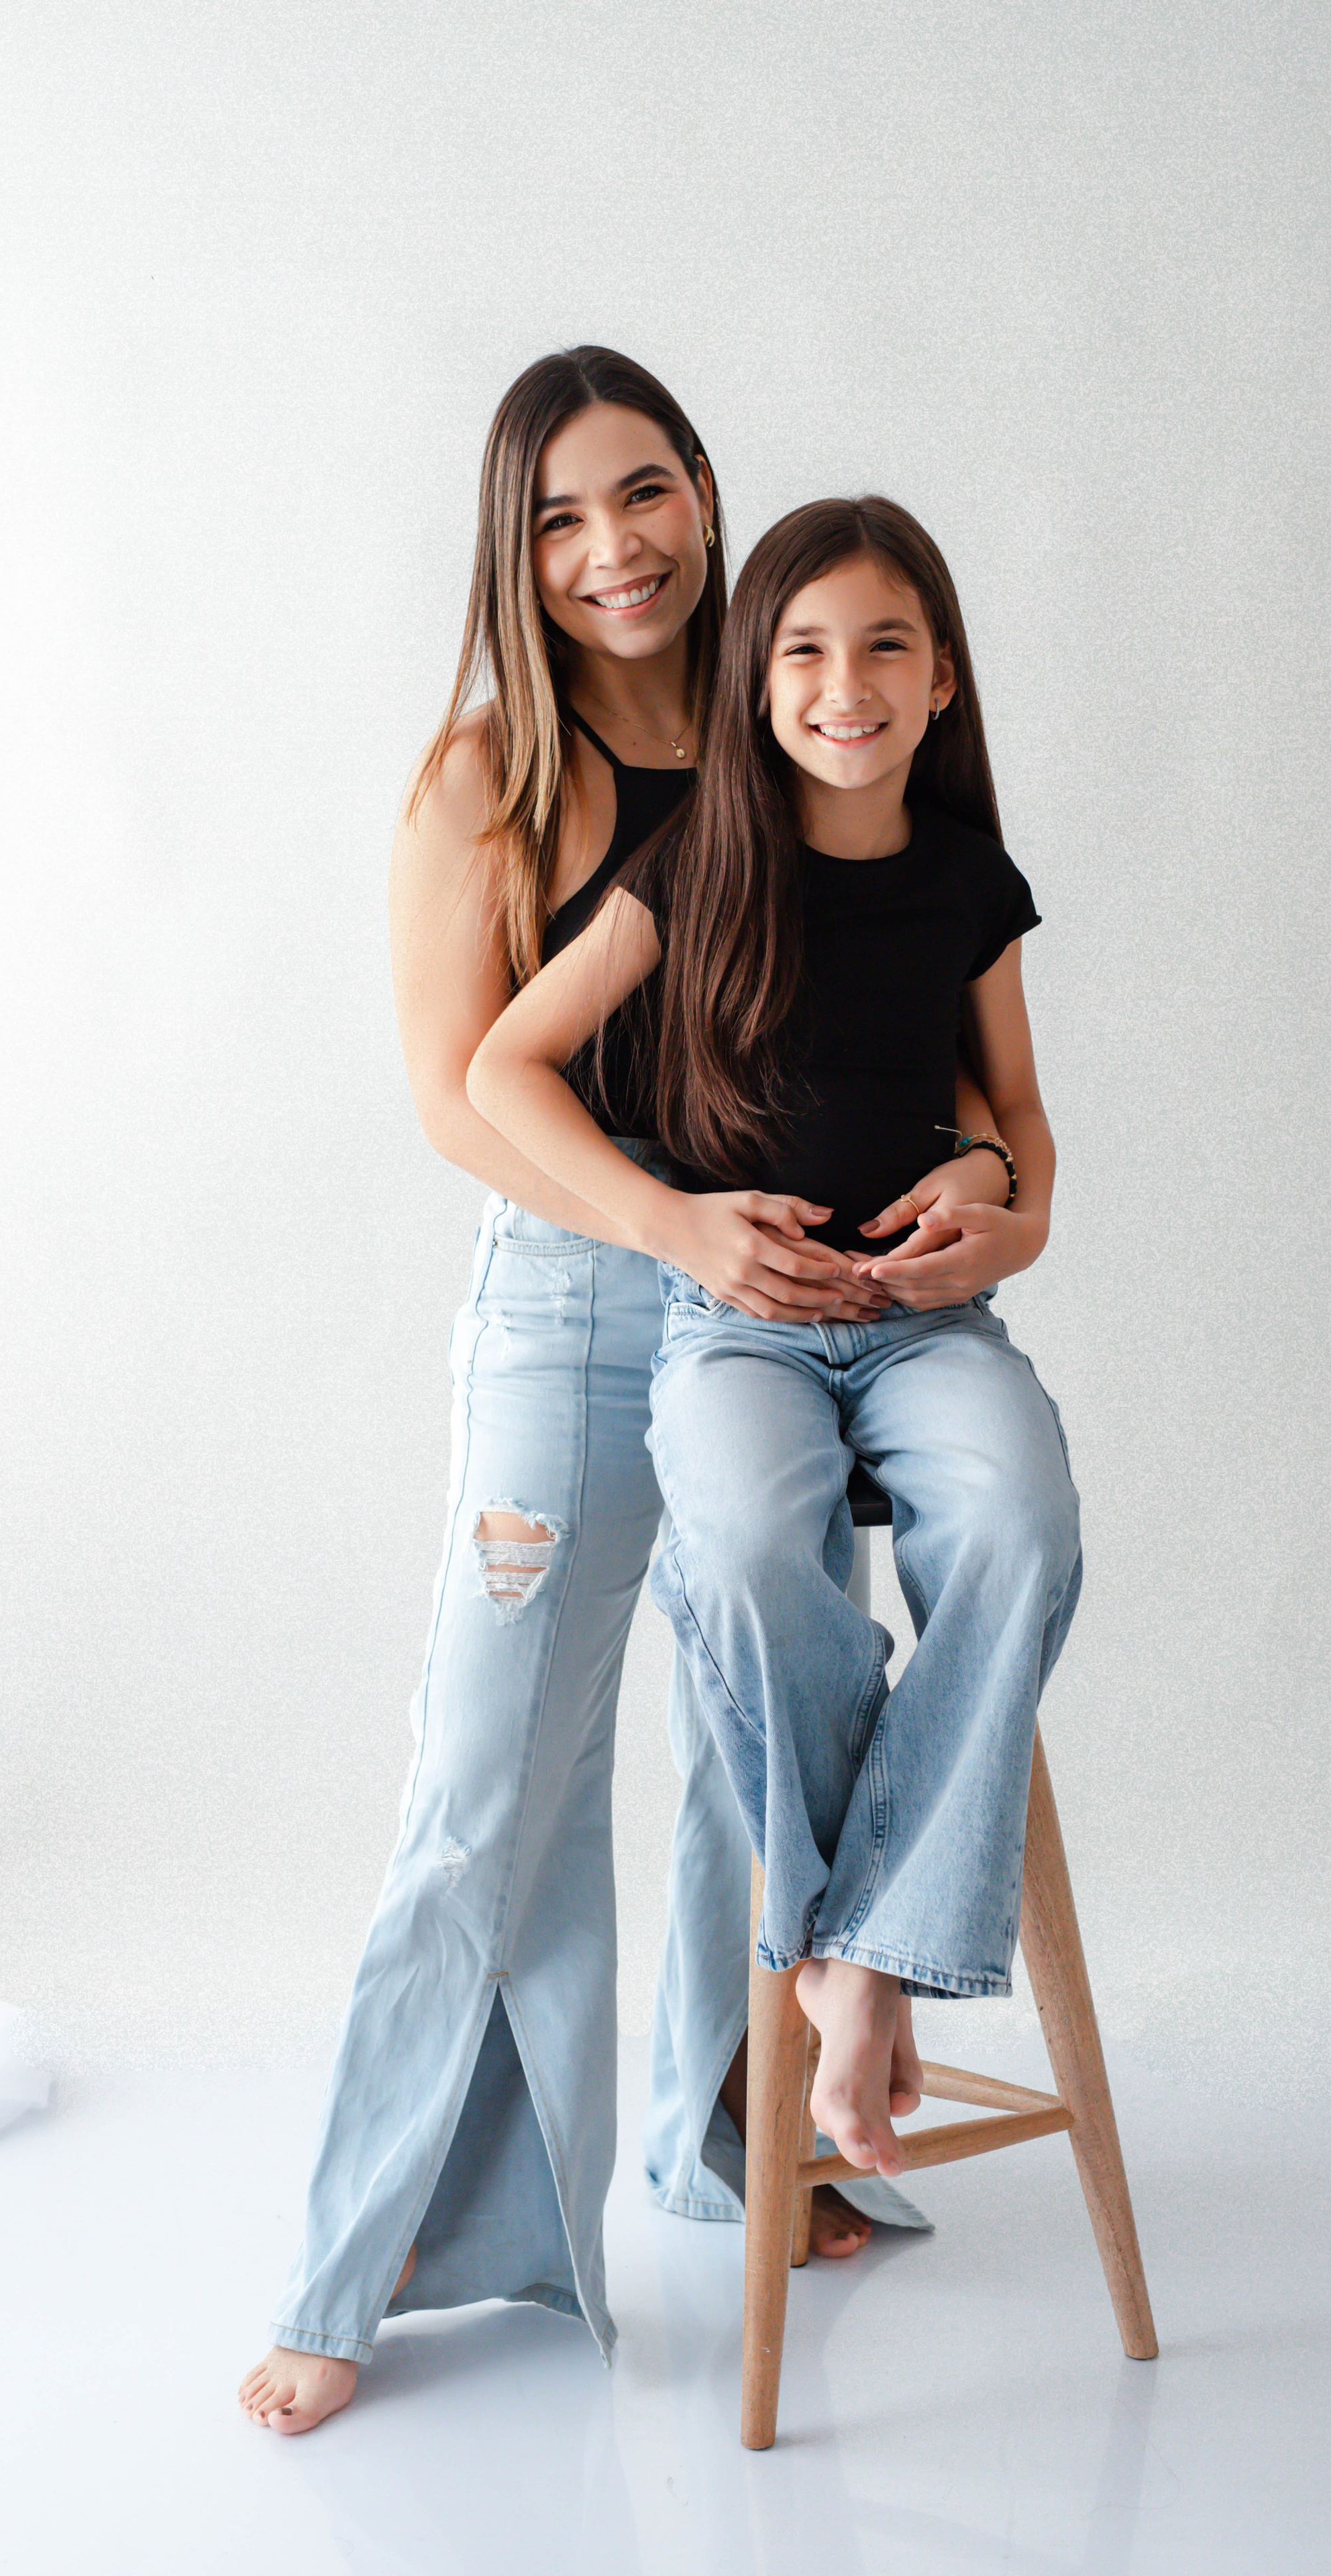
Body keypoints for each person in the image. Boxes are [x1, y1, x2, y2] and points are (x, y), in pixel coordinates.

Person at [239, 373, 1000, 2436]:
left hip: (790, 1293)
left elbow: (901, 994)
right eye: (562, 520)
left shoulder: (787, 710)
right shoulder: (488, 774)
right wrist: (670, 1228)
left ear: (706, 494)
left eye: (645, 494)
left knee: (759, 1736)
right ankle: (360, 2269)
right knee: (491, 1788)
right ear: (519, 552)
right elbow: (454, 1094)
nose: (615, 551)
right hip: (580, 1303)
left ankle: (733, 2144)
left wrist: (961, 1182)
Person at [470, 494, 1081, 2181]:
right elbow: (503, 1066)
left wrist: (1014, 1219)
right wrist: (672, 1226)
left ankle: (856, 1959)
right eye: (801, 649)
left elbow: (1019, 1111)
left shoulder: (966, 883)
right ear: (752, 681)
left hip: (924, 1327)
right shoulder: (693, 868)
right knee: (740, 1545)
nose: (843, 684)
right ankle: (861, 1944)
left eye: (884, 645)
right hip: (735, 1328)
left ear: (941, 677)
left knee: (1020, 1523)